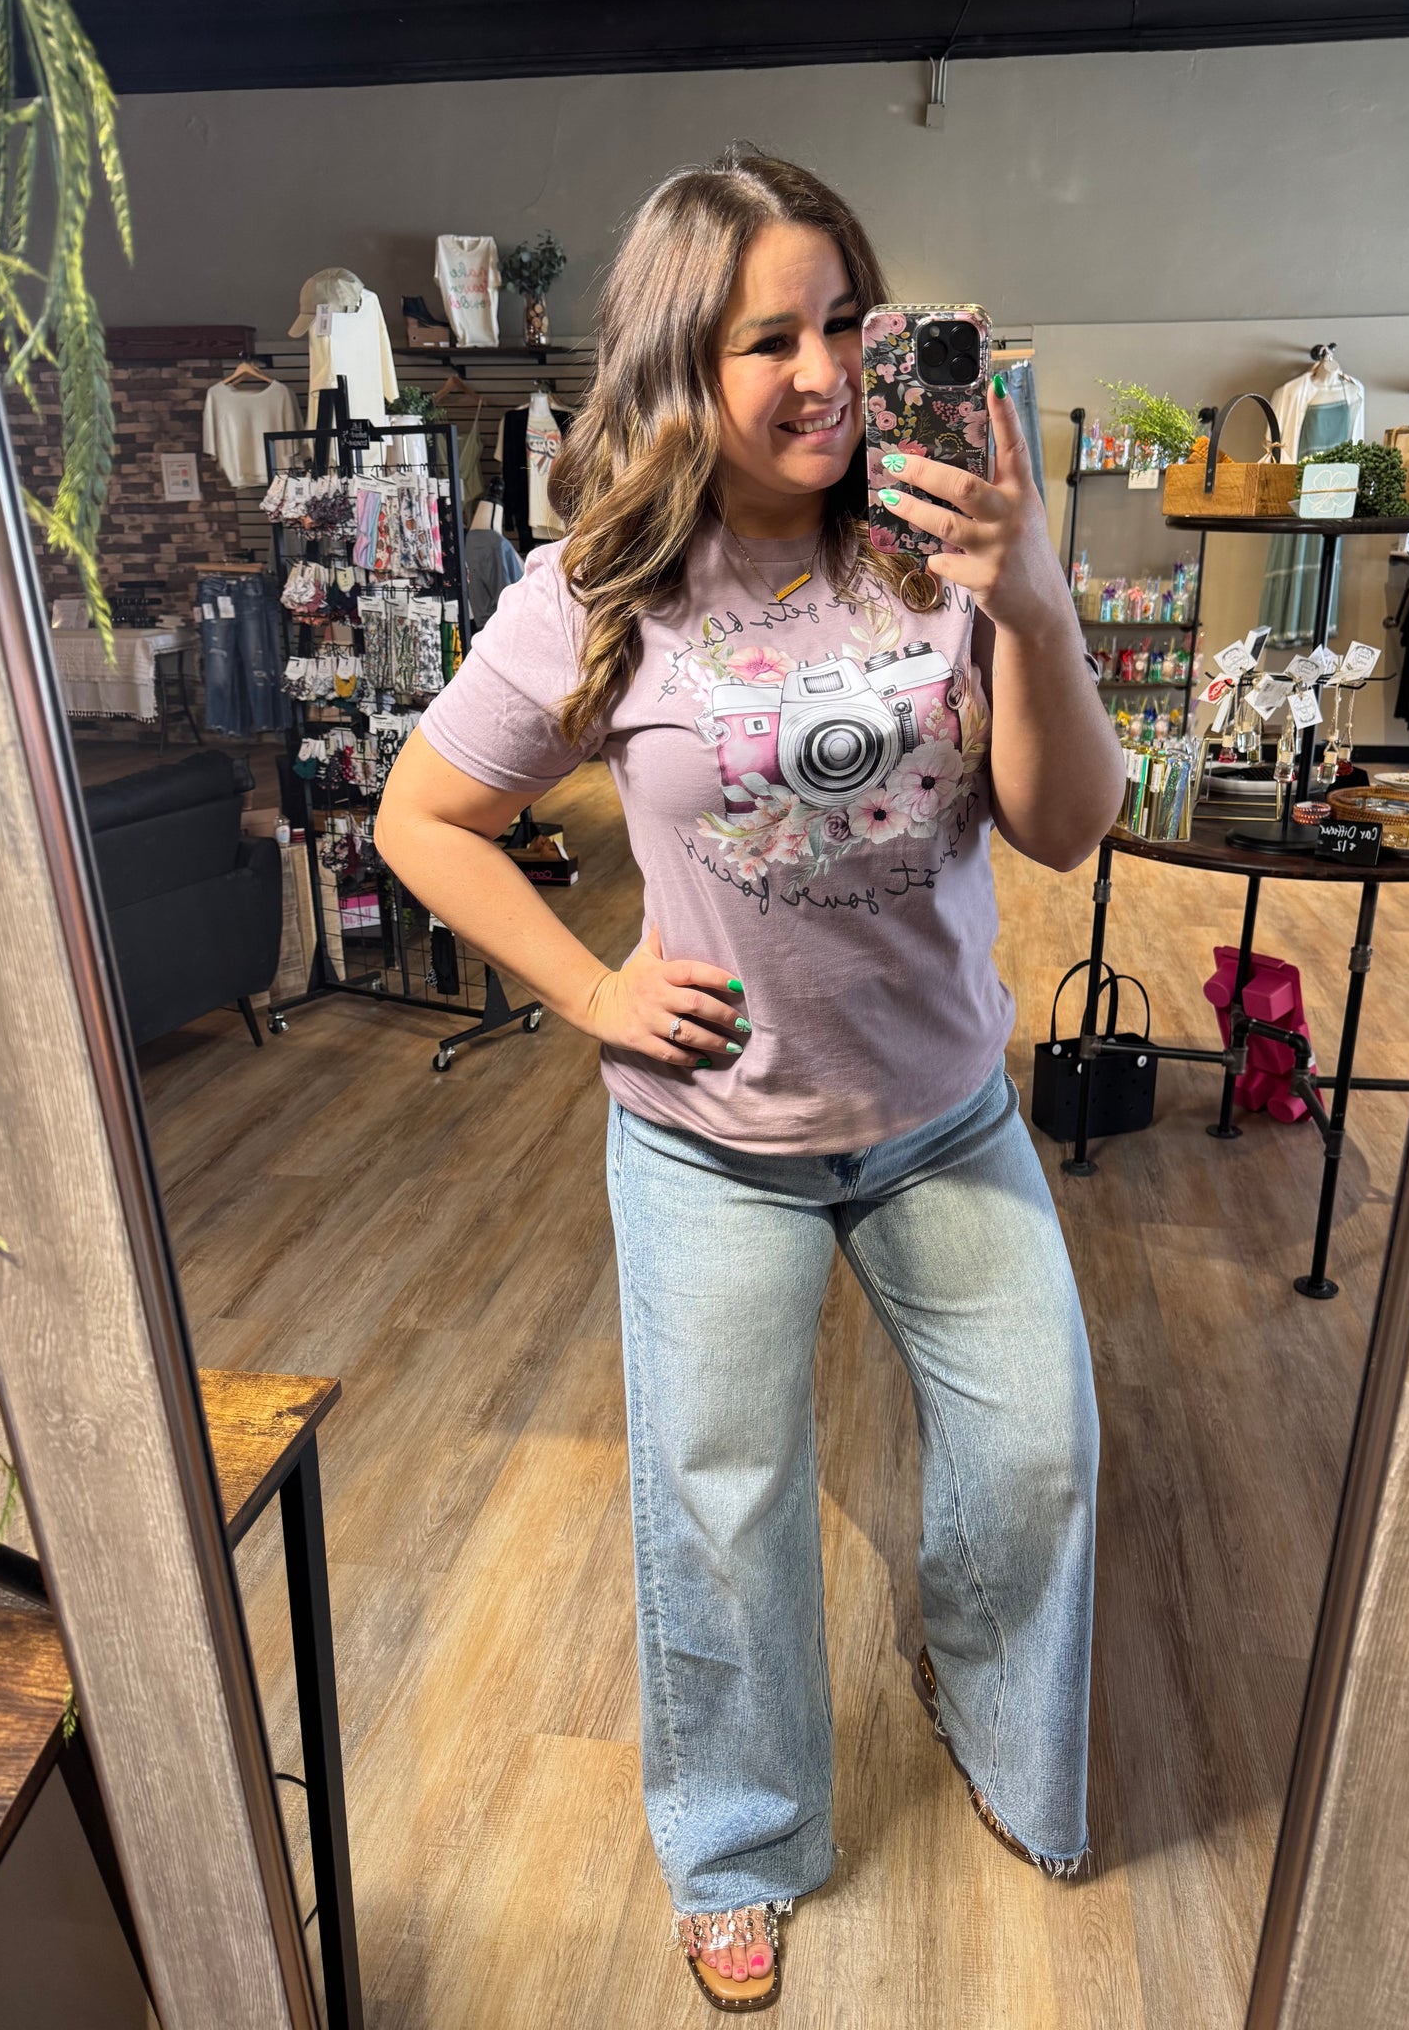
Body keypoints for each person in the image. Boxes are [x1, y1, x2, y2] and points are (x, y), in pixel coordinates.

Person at [375, 145, 1124, 2014]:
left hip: (942, 1114)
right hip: (716, 1141)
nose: (823, 373)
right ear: (679, 366)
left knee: (1037, 1453)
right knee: (722, 1505)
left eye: (845, 323)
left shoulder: (946, 542)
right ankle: (739, 1836)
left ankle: (982, 1700)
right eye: (765, 339)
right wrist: (591, 989)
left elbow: (1062, 827)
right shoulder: (602, 589)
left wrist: (1033, 601)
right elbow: (423, 818)